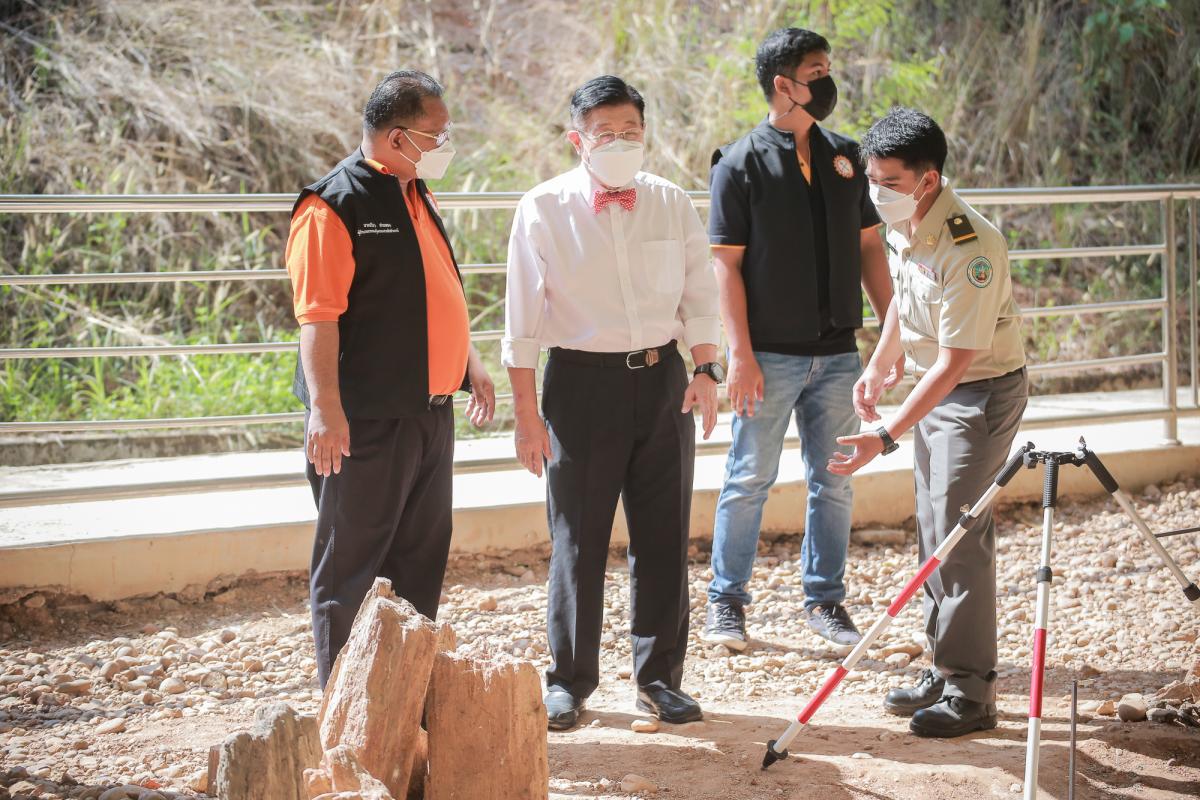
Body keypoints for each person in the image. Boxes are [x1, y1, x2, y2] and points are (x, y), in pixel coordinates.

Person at [502, 75, 722, 731]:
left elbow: (699, 292)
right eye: (605, 133)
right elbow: (521, 321)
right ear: (578, 140)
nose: (621, 143)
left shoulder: (670, 202)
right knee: (579, 539)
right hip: (579, 388)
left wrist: (707, 368)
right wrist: (525, 415)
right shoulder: (542, 208)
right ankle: (569, 680)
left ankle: (659, 679)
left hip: (663, 381)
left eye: (631, 132)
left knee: (662, 537)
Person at [284, 70, 495, 688]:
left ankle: (403, 703)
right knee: (349, 568)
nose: (446, 143)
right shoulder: (332, 205)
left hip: (429, 413)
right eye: (438, 133)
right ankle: (345, 713)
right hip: (367, 421)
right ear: (399, 137)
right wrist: (326, 409)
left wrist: (469, 365)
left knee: (420, 562)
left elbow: (436, 291)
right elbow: (317, 317)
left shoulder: (414, 191)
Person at [830, 107, 1028, 737]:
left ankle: (973, 694)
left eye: (888, 182)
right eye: (871, 178)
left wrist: (886, 435)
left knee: (959, 540)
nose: (876, 191)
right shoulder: (908, 220)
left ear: (928, 178)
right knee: (934, 530)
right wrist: (880, 364)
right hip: (941, 391)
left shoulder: (972, 243)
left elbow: (953, 363)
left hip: (977, 394)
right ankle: (943, 671)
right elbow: (902, 305)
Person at [702, 27, 897, 652]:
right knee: (748, 476)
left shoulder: (847, 158)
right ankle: (726, 604)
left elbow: (871, 249)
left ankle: (825, 603)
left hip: (839, 354)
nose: (828, 79)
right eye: (817, 70)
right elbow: (725, 266)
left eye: (828, 68)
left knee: (834, 477)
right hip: (768, 357)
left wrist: (893, 336)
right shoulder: (739, 164)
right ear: (784, 85)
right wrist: (741, 356)